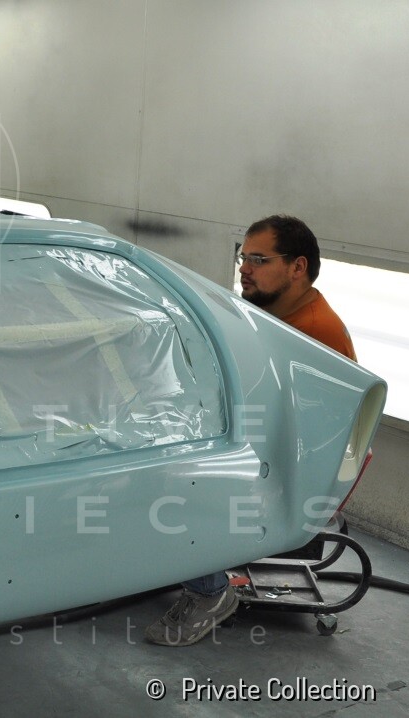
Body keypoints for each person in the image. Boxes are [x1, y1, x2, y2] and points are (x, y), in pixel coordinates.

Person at [145, 214, 356, 647]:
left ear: (298, 267)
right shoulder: (275, 315)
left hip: (293, 480)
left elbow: (297, 440)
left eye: (259, 260)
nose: (245, 268)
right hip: (271, 456)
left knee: (170, 476)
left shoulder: (312, 334)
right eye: (244, 257)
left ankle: (210, 593)